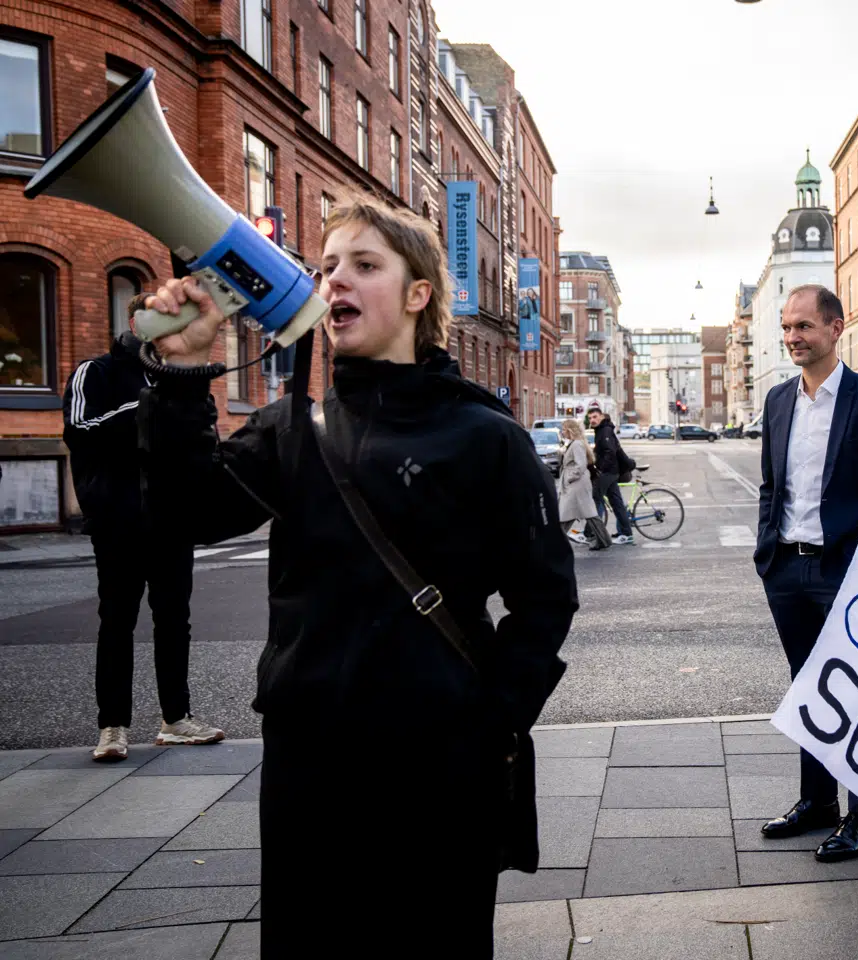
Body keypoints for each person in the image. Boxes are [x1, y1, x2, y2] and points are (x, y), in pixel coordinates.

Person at [136, 196, 577, 958]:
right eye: (328, 266)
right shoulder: (292, 428)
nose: (336, 280)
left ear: (418, 294)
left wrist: (494, 717)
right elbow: (184, 516)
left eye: (365, 265)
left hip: (439, 758)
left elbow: (545, 597)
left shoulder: (485, 437)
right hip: (311, 756)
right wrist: (179, 380)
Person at [754, 284, 858, 862]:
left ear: (836, 328)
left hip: (847, 573)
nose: (793, 337)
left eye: (805, 327)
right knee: (806, 689)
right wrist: (766, 551)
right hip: (787, 571)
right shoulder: (776, 401)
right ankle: (817, 802)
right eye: (788, 328)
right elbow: (774, 486)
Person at [63, 292, 223, 762]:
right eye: (158, 314)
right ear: (135, 320)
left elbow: (199, 438)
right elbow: (80, 430)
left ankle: (176, 719)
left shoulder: (175, 374)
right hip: (117, 519)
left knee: (175, 621)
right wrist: (144, 408)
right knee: (117, 621)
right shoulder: (98, 372)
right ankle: (112, 726)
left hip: (171, 519)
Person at [587, 406, 634, 545]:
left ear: (601, 417)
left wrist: (599, 469)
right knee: (616, 503)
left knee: (596, 499)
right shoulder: (601, 430)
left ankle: (589, 533)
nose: (592, 420)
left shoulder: (605, 430)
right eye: (590, 418)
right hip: (611, 472)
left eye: (595, 417)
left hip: (608, 472)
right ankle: (626, 533)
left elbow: (610, 452)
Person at [557, 418, 604, 549]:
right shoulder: (575, 443)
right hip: (577, 483)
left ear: (570, 430)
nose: (562, 431)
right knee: (584, 513)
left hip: (576, 484)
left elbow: (581, 464)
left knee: (566, 513)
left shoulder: (577, 444)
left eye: (564, 429)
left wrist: (570, 478)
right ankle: (604, 540)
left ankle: (555, 542)